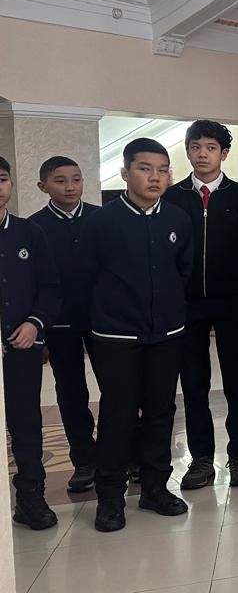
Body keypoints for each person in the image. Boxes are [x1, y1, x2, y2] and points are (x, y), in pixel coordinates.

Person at [85, 138, 194, 532]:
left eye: (163, 170)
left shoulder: (178, 220)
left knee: (161, 411)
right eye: (145, 169)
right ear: (125, 172)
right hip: (116, 336)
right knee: (118, 413)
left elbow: (183, 272)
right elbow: (87, 277)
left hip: (167, 333)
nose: (155, 177)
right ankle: (110, 497)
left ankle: (155, 488)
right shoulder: (101, 222)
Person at [164, 120, 238, 490]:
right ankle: (202, 458)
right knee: (193, 381)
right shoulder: (173, 198)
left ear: (224, 153)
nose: (202, 154)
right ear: (187, 152)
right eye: (195, 147)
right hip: (187, 304)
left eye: (210, 147)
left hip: (231, 300)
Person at [29, 156, 101, 494]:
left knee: (119, 389)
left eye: (76, 179)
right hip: (58, 324)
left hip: (104, 321)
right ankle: (85, 460)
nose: (70, 187)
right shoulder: (34, 228)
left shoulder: (102, 219)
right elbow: (31, 284)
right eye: (60, 181)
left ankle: (125, 455)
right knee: (71, 392)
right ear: (43, 186)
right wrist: (39, 331)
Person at [0, 156, 63, 529]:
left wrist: (34, 324)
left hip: (22, 346)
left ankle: (30, 496)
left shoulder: (29, 233)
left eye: (2, 179)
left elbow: (50, 288)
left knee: (25, 421)